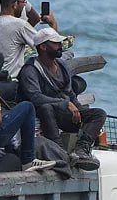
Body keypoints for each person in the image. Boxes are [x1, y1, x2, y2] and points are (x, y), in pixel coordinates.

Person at [18, 28, 105, 166]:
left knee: (99, 114)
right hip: (44, 115)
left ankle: (82, 149)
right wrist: (64, 104)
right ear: (43, 47)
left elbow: (70, 93)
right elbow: (35, 97)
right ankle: (61, 152)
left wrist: (79, 110)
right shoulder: (30, 70)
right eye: (56, 43)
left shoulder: (62, 66)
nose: (60, 46)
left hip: (64, 114)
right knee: (46, 107)